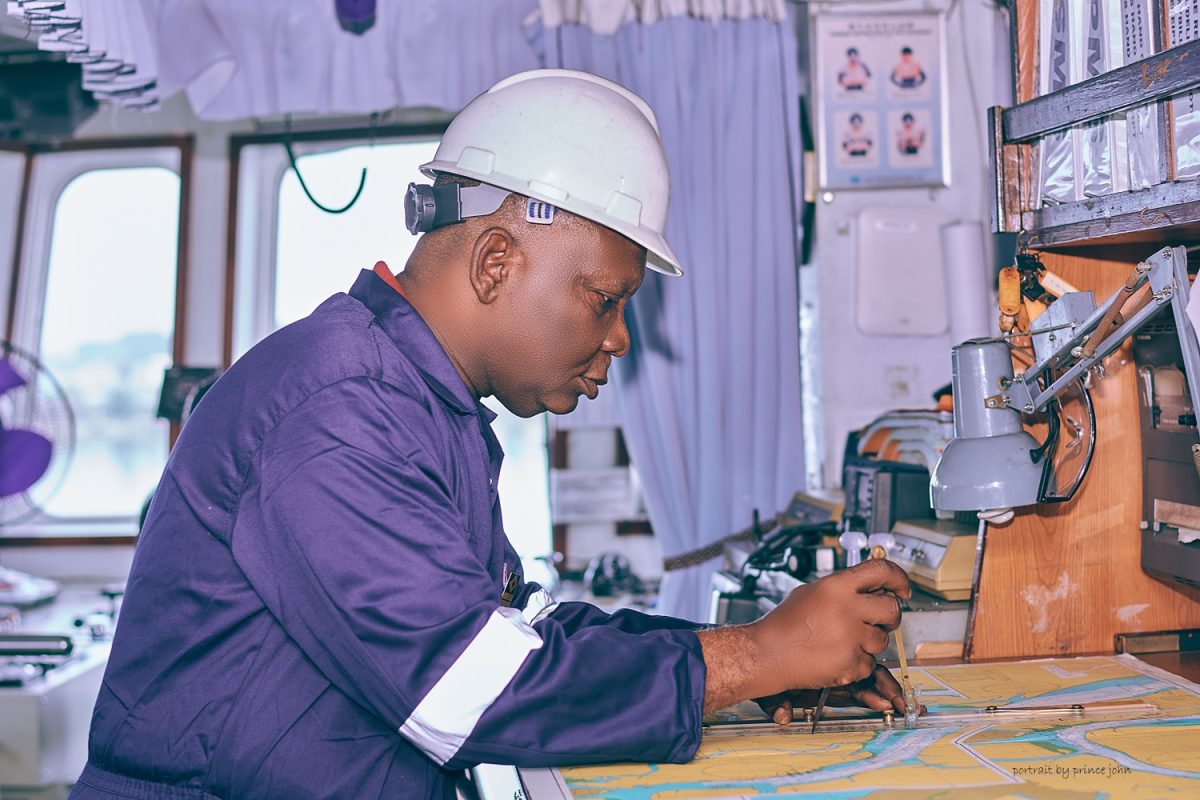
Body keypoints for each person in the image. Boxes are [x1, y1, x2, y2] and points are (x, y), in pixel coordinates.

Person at [70, 69, 911, 800]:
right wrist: (752, 660)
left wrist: (743, 665)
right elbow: (460, 693)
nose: (618, 339)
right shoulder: (336, 407)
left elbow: (515, 635)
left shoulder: (422, 406)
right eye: (604, 299)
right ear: (496, 262)